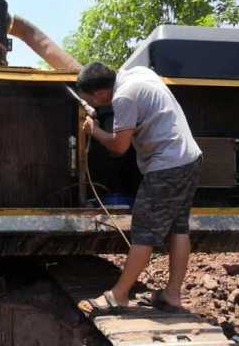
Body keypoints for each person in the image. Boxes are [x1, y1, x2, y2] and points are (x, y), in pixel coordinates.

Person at [76, 62, 202, 314]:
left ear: (101, 93)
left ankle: (118, 295)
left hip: (167, 166)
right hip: (189, 159)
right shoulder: (139, 73)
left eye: (90, 99)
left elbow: (119, 147)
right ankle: (172, 296)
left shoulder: (123, 97)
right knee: (177, 227)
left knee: (143, 229)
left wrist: (95, 130)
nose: (95, 103)